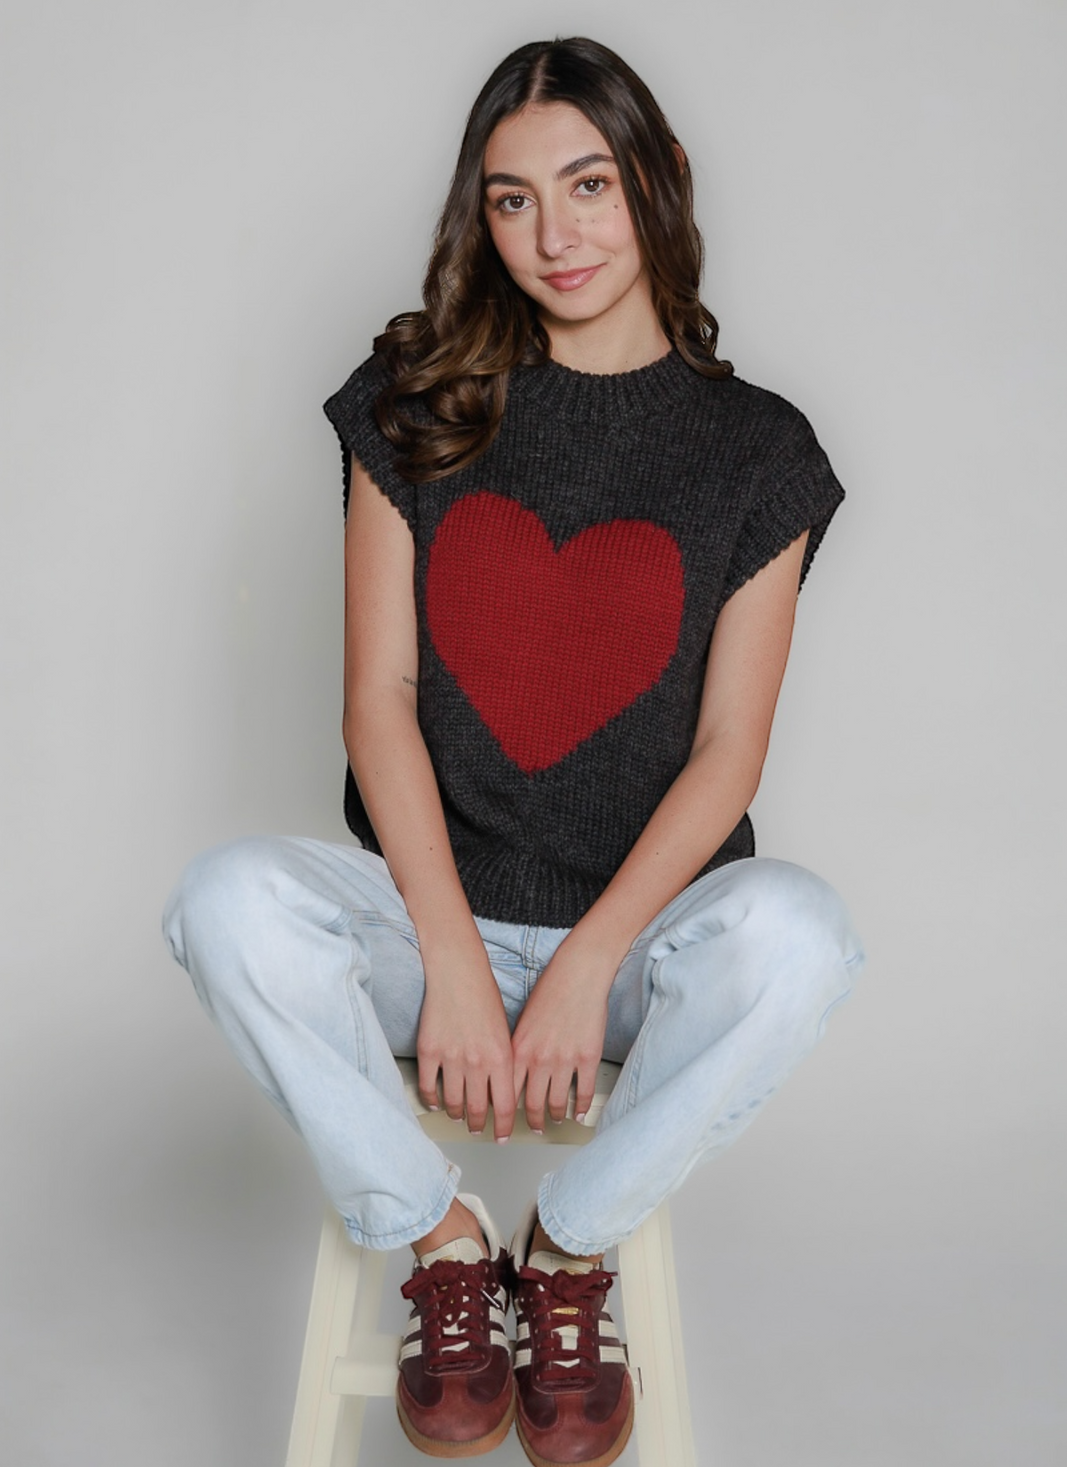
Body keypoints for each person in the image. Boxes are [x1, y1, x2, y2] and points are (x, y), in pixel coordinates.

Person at [163, 35, 864, 1467]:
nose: (555, 235)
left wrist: (591, 961)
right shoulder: (416, 397)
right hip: (431, 931)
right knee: (225, 900)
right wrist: (462, 964)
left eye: (589, 184)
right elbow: (379, 700)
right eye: (511, 199)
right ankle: (440, 1237)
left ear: (662, 180)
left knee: (803, 935)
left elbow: (729, 751)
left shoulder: (759, 452)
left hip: (638, 945)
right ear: (477, 218)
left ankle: (567, 1250)